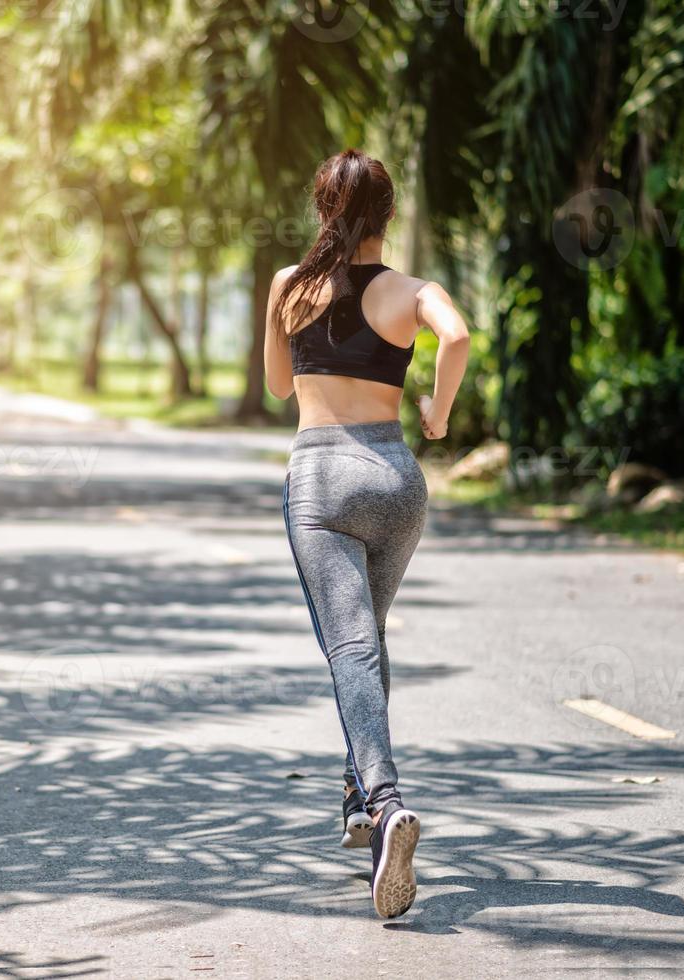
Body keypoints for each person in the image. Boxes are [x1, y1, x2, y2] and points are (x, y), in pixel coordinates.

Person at [264, 148, 471, 918]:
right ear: (387, 214)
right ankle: (357, 797)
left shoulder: (290, 286)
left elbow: (277, 384)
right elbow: (456, 338)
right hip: (395, 481)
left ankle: (385, 805)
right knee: (368, 637)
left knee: (348, 645)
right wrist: (438, 416)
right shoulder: (414, 291)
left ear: (324, 209)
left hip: (320, 477)